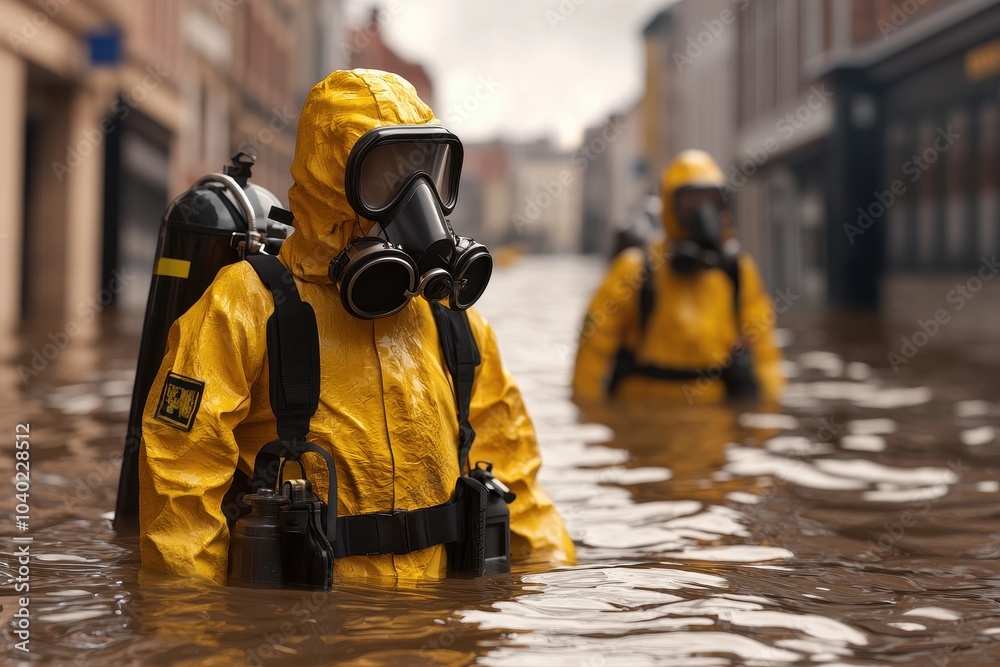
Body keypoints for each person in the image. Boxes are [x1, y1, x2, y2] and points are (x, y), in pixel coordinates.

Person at [139, 69, 575, 585]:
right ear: (330, 181)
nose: (415, 200)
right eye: (386, 177)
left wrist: (554, 608)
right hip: (306, 640)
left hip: (436, 643)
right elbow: (180, 489)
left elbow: (516, 476)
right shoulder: (244, 306)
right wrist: (196, 640)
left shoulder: (454, 326)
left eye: (425, 173)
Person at [572, 150, 784, 406]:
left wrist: (763, 417)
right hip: (642, 416)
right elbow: (592, 351)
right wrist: (591, 419)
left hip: (714, 423)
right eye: (690, 203)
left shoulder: (738, 271)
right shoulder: (634, 269)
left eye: (711, 202)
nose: (702, 215)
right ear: (670, 207)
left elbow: (767, 357)